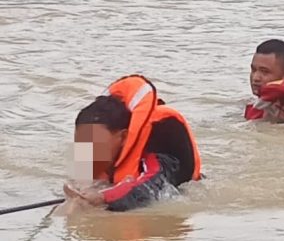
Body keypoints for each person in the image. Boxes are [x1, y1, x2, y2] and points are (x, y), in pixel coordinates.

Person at [64, 74, 202, 212]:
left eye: (96, 144)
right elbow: (79, 179)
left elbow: (148, 188)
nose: (89, 152)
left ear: (123, 137)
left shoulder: (156, 154)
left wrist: (102, 197)